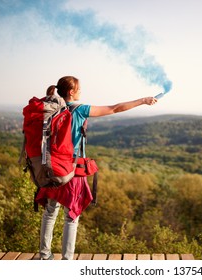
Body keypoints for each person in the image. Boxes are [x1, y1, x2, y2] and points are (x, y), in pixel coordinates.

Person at [36, 76, 157, 260]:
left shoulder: (49, 108)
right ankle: (66, 261)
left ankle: (45, 256)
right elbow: (114, 108)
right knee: (71, 216)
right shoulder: (79, 109)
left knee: (50, 211)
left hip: (50, 166)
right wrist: (143, 100)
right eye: (79, 89)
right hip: (72, 170)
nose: (81, 91)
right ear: (71, 92)